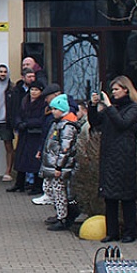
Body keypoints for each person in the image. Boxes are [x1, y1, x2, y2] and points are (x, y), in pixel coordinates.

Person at [88, 76, 137, 243]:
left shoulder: (134, 108)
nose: (114, 93)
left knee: (126, 197)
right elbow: (95, 121)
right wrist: (93, 105)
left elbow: (122, 123)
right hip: (109, 155)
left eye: (116, 89)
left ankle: (129, 232)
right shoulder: (111, 109)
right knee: (109, 196)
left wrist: (109, 106)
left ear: (126, 89)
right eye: (112, 90)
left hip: (125, 157)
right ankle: (112, 232)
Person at [39, 94, 81, 230]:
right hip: (51, 164)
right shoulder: (57, 124)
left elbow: (65, 149)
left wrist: (59, 166)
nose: (53, 112)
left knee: (59, 192)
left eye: (55, 109)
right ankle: (59, 213)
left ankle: (63, 218)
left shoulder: (67, 126)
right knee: (49, 189)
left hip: (59, 166)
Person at [11, 81, 46, 192]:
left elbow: (41, 119)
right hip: (24, 133)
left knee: (34, 160)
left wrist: (28, 123)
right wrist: (19, 123)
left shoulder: (43, 104)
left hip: (35, 134)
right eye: (32, 89)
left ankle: (37, 186)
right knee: (21, 158)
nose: (33, 92)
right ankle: (19, 183)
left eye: (36, 90)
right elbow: (18, 114)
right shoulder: (25, 100)